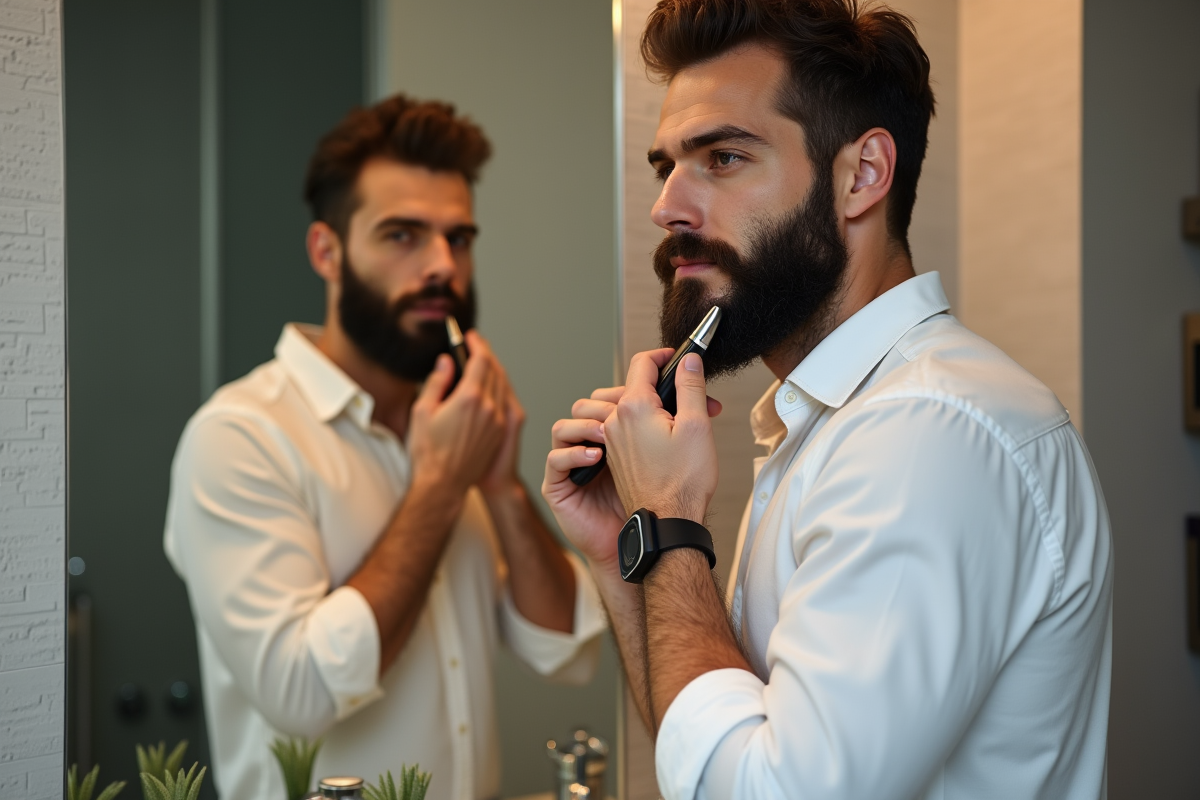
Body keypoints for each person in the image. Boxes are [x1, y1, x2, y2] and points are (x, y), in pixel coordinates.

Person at [543, 2, 1112, 799]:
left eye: (725, 158)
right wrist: (626, 549)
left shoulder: (927, 433)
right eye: (665, 165)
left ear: (862, 176)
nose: (667, 207)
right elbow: (717, 760)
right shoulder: (837, 423)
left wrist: (670, 524)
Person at [164, 95, 606, 800]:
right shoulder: (240, 438)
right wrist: (437, 487)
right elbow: (301, 691)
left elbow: (569, 650)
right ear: (326, 251)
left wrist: (498, 484)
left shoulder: (453, 429)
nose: (441, 267)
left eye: (458, 239)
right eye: (403, 235)